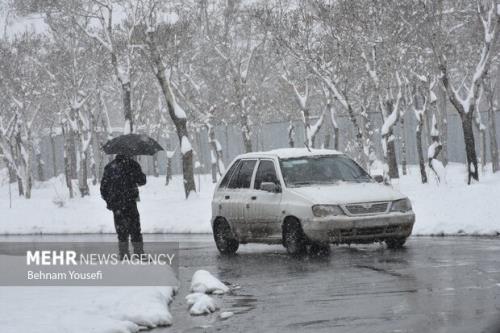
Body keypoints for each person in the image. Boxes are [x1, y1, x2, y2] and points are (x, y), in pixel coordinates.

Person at [100, 154, 146, 260]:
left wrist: (110, 202)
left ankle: (124, 255)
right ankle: (139, 254)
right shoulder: (133, 165)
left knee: (121, 232)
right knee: (135, 230)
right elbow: (142, 181)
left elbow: (103, 188)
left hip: (117, 206)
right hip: (130, 203)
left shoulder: (110, 167)